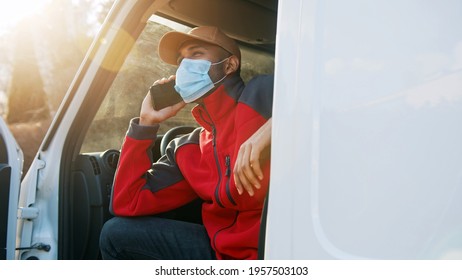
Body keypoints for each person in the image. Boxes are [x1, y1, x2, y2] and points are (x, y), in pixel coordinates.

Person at [99, 26, 273, 260]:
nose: (184, 67)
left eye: (196, 54)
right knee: (115, 233)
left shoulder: (263, 94)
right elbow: (126, 203)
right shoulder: (187, 148)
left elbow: (329, 101)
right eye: (181, 60)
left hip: (277, 252)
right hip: (219, 255)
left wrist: (278, 123)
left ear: (229, 65)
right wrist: (146, 123)